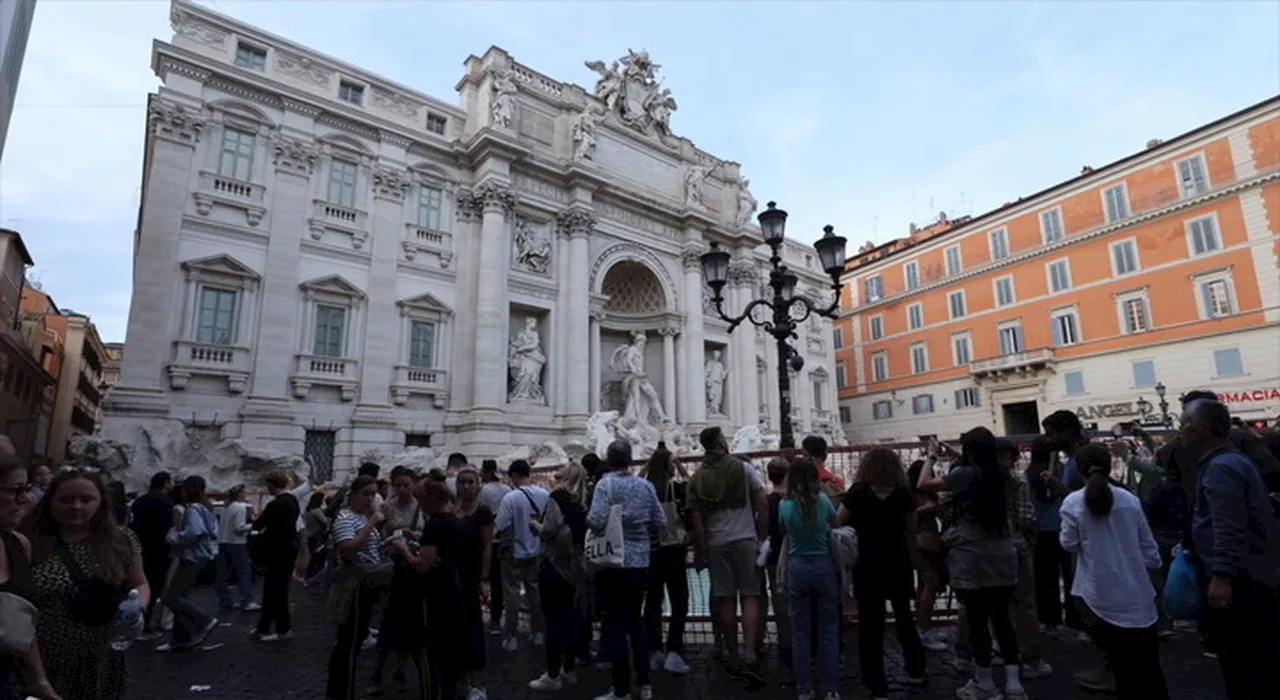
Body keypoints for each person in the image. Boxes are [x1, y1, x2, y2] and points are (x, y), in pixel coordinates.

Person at [1181, 399, 1279, 700]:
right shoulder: (1231, 461)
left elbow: (1228, 524)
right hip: (1252, 574)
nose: (1180, 429)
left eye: (1185, 423)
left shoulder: (1221, 467)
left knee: (1241, 661)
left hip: (1240, 582)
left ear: (1204, 428)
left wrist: (1222, 575)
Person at [917, 427, 1026, 700]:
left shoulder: (963, 476)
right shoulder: (1002, 474)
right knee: (1003, 619)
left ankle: (985, 683)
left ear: (968, 452)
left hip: (970, 553)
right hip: (1003, 551)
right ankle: (1014, 685)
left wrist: (931, 458)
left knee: (977, 619)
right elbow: (983, 467)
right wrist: (958, 453)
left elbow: (923, 484)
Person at [28, 469, 149, 699]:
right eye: (66, 499)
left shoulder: (121, 540)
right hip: (44, 656)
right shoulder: (29, 542)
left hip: (101, 654)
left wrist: (138, 608)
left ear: (100, 502)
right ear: (50, 501)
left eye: (86, 500)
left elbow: (140, 583)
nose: (76, 506)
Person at [1061, 443, 1168, 700]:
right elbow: (1149, 551)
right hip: (1138, 597)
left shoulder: (1073, 503)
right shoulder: (1130, 500)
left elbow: (1068, 544)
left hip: (1098, 597)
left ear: (1079, 470)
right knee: (1150, 670)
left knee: (1121, 672)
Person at [839, 449, 926, 700]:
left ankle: (876, 684)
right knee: (903, 617)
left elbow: (838, 520)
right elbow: (912, 526)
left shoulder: (857, 492)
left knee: (870, 624)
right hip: (897, 560)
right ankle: (916, 669)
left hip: (867, 562)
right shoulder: (903, 495)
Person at [687, 426, 768, 688]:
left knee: (725, 599)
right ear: (721, 442)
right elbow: (761, 499)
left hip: (716, 541)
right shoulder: (742, 468)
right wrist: (762, 533)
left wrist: (701, 550)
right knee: (750, 595)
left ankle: (732, 652)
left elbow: (696, 518)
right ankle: (750, 653)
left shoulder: (697, 477)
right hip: (745, 538)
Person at [587, 440, 666, 700]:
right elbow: (660, 520)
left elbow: (596, 522)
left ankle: (621, 691)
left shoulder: (604, 485)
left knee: (615, 626)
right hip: (640, 562)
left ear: (609, 460)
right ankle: (645, 685)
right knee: (636, 623)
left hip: (613, 562)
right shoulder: (645, 486)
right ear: (631, 459)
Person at [391, 477, 466, 700]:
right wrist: (420, 539)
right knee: (450, 650)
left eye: (421, 498)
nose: (418, 503)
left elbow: (422, 566)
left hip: (434, 594)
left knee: (428, 652)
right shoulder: (454, 520)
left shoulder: (435, 523)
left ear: (433, 497)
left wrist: (403, 549)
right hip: (454, 588)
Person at [0, 437, 59, 700]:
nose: (25, 499)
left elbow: (23, 621)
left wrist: (39, 680)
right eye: (16, 490)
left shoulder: (19, 544)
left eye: (27, 489)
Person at [783, 457, 844, 700]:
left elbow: (784, 530)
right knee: (828, 630)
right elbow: (836, 525)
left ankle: (804, 689)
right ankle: (830, 689)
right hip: (824, 566)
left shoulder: (784, 505)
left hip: (797, 568)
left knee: (800, 632)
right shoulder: (824, 501)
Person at [325, 475, 390, 700]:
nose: (370, 499)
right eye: (366, 494)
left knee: (356, 639)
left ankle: (344, 690)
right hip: (352, 585)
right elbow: (349, 550)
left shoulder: (363, 517)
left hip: (367, 583)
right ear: (353, 494)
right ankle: (340, 692)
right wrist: (371, 524)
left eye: (373, 494)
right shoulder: (345, 518)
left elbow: (372, 547)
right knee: (348, 642)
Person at [528, 462, 589, 691]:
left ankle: (552, 675)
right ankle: (569, 670)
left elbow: (549, 530)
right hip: (574, 568)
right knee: (570, 619)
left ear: (567, 475)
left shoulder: (558, 496)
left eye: (564, 466)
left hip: (554, 566)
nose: (559, 468)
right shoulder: (581, 501)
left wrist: (535, 524)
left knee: (552, 621)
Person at [1034, 410, 1088, 640]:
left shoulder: (1082, 459)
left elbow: (1090, 497)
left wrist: (1061, 490)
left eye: (1051, 434)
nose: (1048, 439)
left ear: (1066, 432)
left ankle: (1084, 625)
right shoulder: (1068, 461)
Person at [641, 445, 692, 675]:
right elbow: (691, 487)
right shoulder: (676, 488)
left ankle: (653, 651)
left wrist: (644, 469)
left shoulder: (644, 488)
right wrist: (681, 467)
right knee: (679, 600)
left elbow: (636, 481)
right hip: (674, 549)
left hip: (650, 550)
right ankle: (674, 651)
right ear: (670, 466)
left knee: (652, 602)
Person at [494, 459, 550, 651]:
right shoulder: (545, 494)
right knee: (535, 592)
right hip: (537, 550)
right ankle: (538, 633)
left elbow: (500, 525)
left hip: (514, 552)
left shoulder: (511, 498)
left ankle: (511, 636)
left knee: (512, 593)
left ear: (515, 476)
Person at [159, 476, 219, 653]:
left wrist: (173, 537)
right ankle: (181, 638)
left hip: (190, 558)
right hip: (199, 558)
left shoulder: (192, 510)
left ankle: (204, 620)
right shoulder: (205, 507)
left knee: (172, 597)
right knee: (181, 598)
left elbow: (194, 532)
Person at [453, 466, 495, 700]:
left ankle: (478, 684)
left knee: (473, 630)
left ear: (477, 485)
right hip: (451, 576)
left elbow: (488, 545)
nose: (466, 486)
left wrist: (484, 579)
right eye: (462, 482)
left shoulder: (483, 512)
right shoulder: (450, 510)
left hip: (470, 577)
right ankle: (460, 678)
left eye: (470, 482)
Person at [251, 471, 301, 641]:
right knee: (276, 588)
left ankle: (282, 628)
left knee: (276, 589)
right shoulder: (292, 500)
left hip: (276, 551)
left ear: (273, 485)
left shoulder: (275, 505)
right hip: (289, 549)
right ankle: (265, 625)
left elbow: (259, 523)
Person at [130, 471, 173, 639]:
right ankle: (146, 625)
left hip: (140, 549)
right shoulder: (166, 502)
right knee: (153, 588)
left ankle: (132, 620)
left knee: (136, 586)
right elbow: (167, 528)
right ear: (165, 483)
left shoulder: (140, 501)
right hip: (159, 551)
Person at [763, 457, 792, 664]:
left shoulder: (767, 501)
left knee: (778, 598)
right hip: (794, 554)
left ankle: (785, 642)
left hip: (774, 556)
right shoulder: (792, 502)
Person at [477, 459, 510, 633]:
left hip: (485, 537)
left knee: (481, 577)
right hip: (502, 538)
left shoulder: (483, 491)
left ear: (486, 471)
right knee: (498, 582)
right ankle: (496, 619)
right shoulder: (507, 489)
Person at [215, 484, 258, 613]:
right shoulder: (240, 508)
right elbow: (239, 527)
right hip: (237, 543)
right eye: (244, 492)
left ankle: (225, 601)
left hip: (223, 542)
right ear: (240, 494)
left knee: (223, 574)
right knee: (244, 572)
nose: (246, 494)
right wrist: (253, 525)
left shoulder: (227, 508)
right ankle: (247, 601)